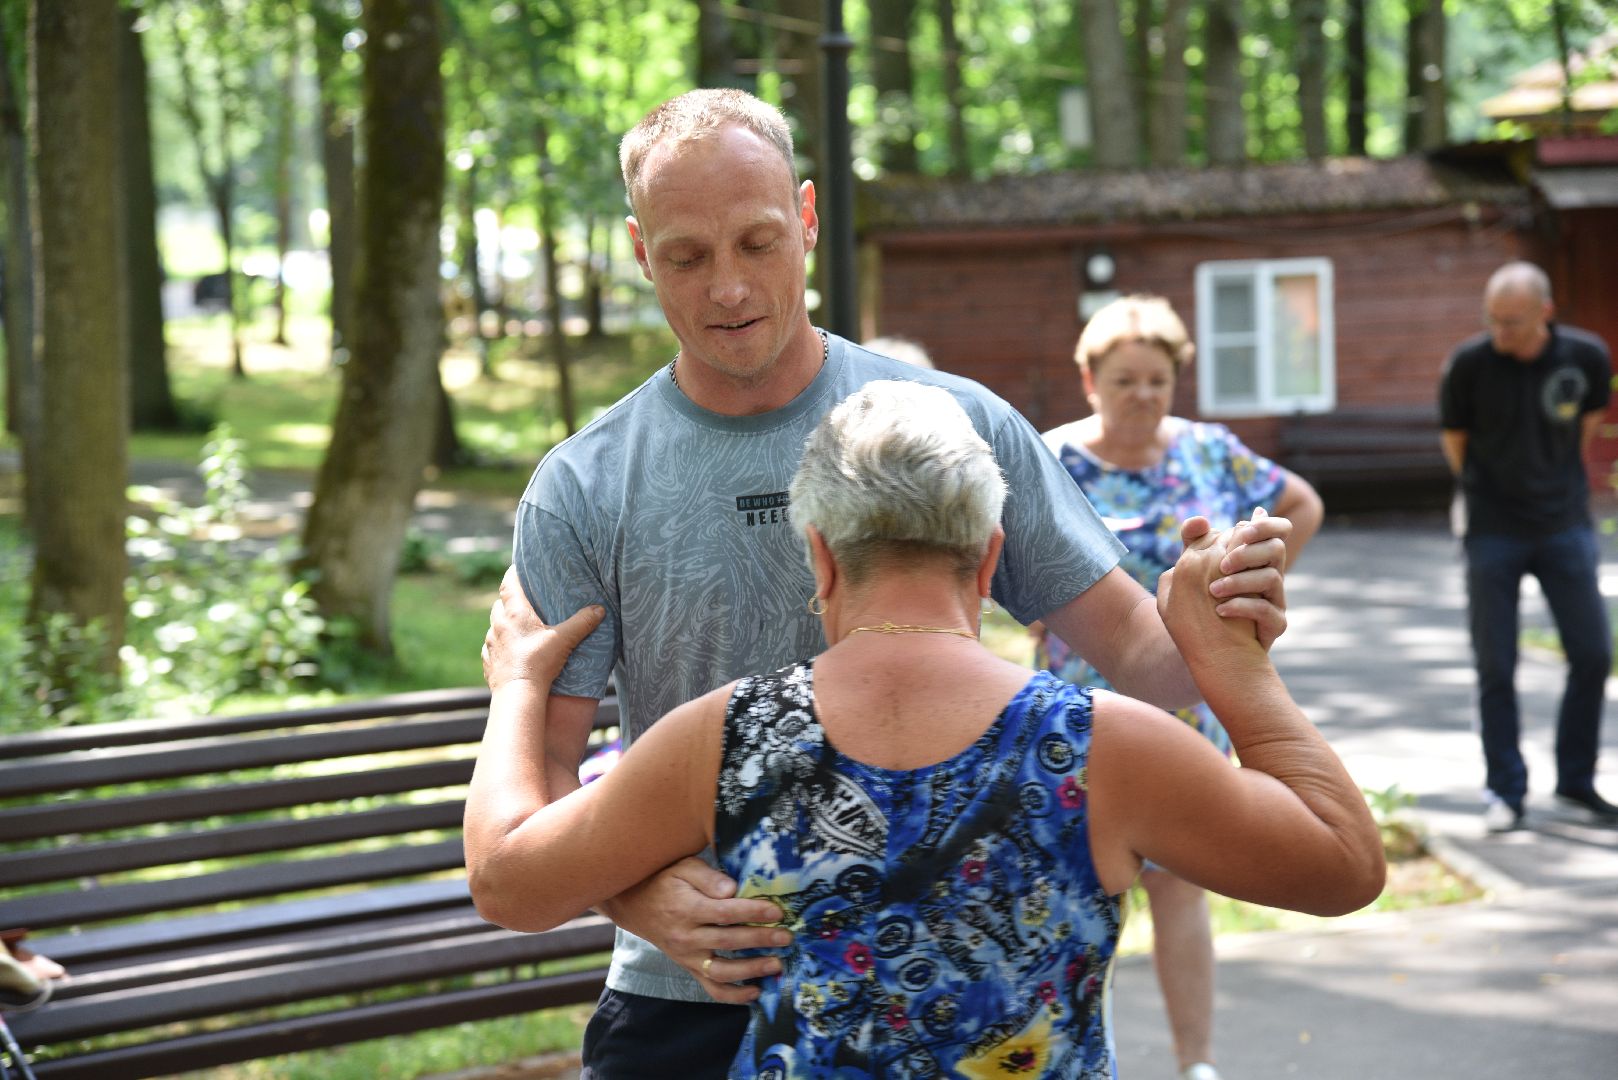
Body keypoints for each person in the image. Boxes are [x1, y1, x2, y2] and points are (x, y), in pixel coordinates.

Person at [474, 87, 1298, 1078]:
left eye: (757, 242)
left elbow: (1144, 659)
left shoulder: (952, 426)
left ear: (809, 221)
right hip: (693, 995)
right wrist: (628, 890)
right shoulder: (584, 484)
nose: (728, 286)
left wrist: (1219, 619)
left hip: (939, 993)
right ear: (641, 251)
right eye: (687, 256)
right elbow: (543, 797)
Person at [467, 381, 1385, 1079]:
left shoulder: (727, 737)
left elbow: (508, 880)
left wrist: (516, 684)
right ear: (990, 557)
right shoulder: (1103, 749)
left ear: (819, 555)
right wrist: (1232, 663)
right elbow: (1344, 863)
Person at [1035, 295, 1324, 1080]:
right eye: (1126, 379)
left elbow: (1299, 501)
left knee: (1179, 886)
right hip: (1077, 708)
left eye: (1159, 380)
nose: (1144, 395)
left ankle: (1196, 1063)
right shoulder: (1052, 459)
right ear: (1090, 380)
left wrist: (1251, 586)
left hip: (1189, 701)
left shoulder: (1209, 453)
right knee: (1075, 893)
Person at [1438, 260, 1618, 832]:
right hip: (1492, 530)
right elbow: (1455, 442)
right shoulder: (1469, 365)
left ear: (1545, 312)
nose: (1501, 332)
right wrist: (1487, 498)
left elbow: (1585, 424)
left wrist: (1551, 484)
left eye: (1513, 321)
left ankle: (1575, 780)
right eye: (1493, 320)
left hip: (1563, 523)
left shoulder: (1585, 358)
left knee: (1592, 652)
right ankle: (1505, 791)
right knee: (1497, 662)